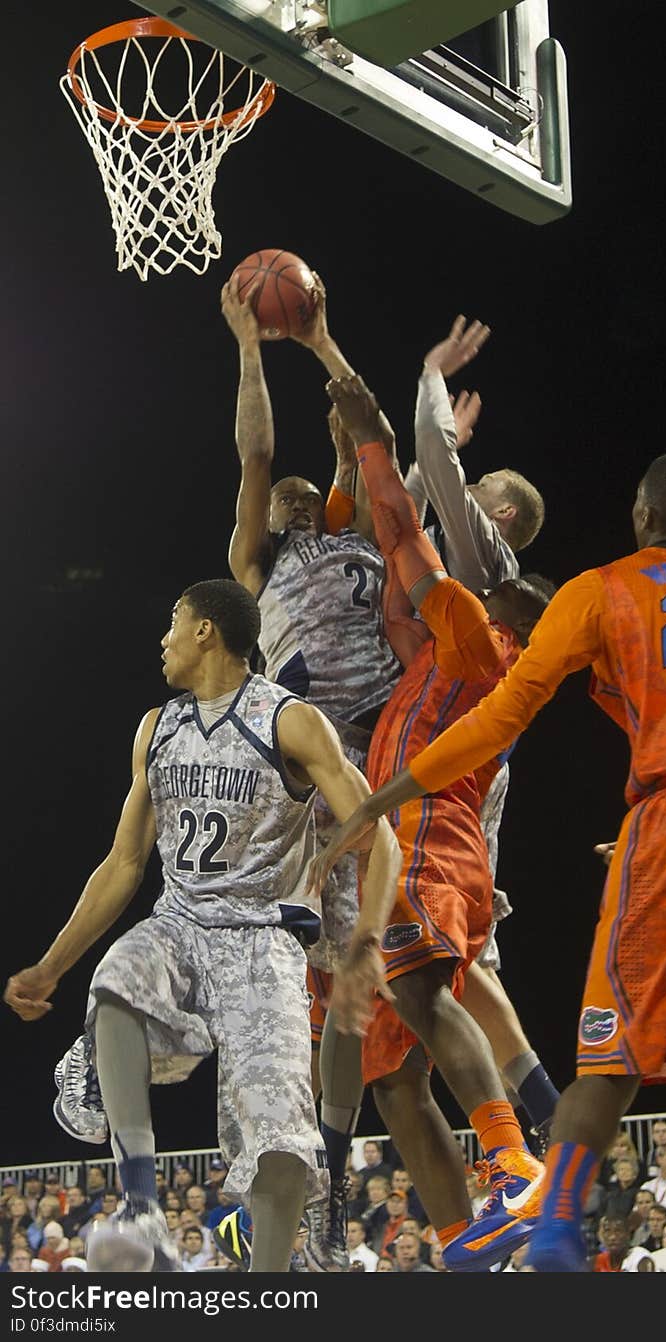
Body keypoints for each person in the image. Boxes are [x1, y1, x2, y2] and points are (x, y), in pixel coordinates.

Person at [317, 447, 666, 1273]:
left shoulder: (605, 586)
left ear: (644, 515)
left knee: (612, 1061)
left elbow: (503, 716)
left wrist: (381, 796)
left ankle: (556, 1230)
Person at [4, 579, 400, 1273]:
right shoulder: (158, 728)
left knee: (280, 1143)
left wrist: (365, 940)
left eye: (172, 622)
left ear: (204, 632)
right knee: (118, 979)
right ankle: (140, 1206)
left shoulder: (290, 721)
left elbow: (381, 836)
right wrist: (51, 965)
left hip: (263, 939)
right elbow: (125, 862)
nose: (162, 638)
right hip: (181, 923)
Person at [313, 374, 552, 1273]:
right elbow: (389, 591)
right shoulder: (442, 657)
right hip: (413, 844)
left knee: (419, 992)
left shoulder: (481, 642)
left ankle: (514, 1156)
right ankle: (467, 1242)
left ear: (512, 617)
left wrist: (381, 444)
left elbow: (406, 541)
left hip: (430, 837)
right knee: (393, 1078)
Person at [221, 279, 403, 1271]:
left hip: (386, 757)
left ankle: (332, 1162)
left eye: (308, 484)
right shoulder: (258, 564)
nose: (292, 488)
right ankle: (289, 1172)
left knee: (362, 989)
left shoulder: (363, 534)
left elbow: (357, 433)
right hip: (301, 775)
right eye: (283, 491)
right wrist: (252, 347)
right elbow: (255, 455)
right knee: (289, 987)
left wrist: (325, 345)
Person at [405, 317, 557, 1150]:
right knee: (470, 969)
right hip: (466, 769)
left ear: (494, 513)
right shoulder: (484, 580)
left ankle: (512, 1145)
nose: (465, 485)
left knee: (426, 968)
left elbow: (430, 464)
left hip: (446, 774)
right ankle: (541, 1126)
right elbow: (416, 496)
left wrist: (432, 375)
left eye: (477, 479)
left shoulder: (485, 564)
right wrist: (443, 457)